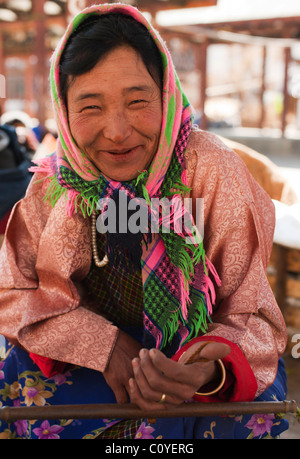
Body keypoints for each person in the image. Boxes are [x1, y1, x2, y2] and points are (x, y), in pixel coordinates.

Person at [0, 3, 289, 439]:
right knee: (21, 389)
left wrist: (205, 370)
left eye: (137, 102)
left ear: (166, 94)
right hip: (88, 354)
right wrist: (109, 347)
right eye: (91, 107)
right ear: (63, 108)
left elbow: (251, 306)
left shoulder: (211, 169)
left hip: (197, 358)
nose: (117, 131)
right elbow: (16, 292)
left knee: (243, 414)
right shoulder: (54, 186)